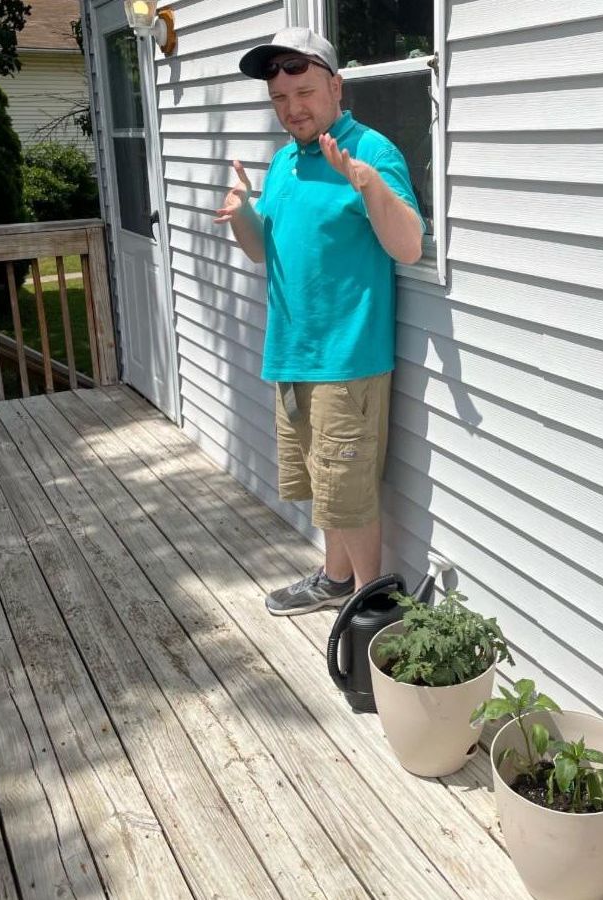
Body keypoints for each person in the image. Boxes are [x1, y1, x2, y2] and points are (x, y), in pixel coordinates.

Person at [214, 27, 424, 616]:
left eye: (304, 92)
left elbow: (407, 246)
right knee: (325, 490)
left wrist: (367, 184)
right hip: (292, 352)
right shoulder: (284, 163)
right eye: (280, 99)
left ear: (335, 86)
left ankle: (367, 608)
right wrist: (241, 215)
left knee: (350, 497)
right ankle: (335, 579)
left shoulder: (371, 152)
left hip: (346, 358)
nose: (292, 108)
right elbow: (265, 253)